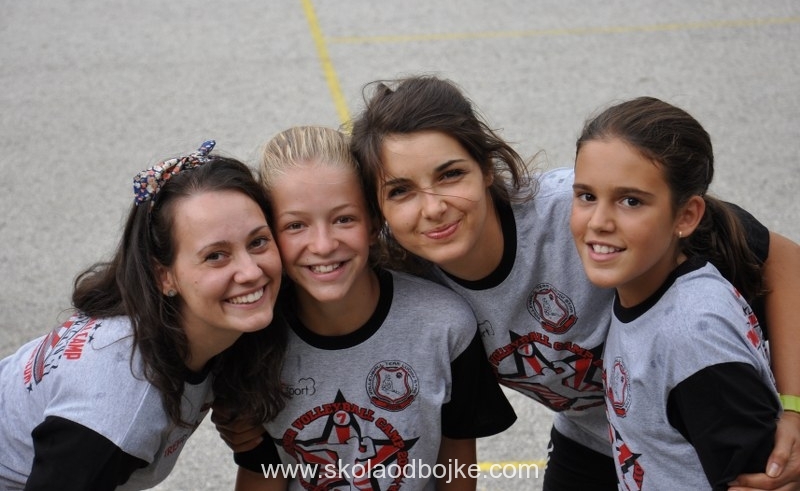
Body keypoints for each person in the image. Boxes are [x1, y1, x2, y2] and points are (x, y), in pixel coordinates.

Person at [348, 75, 800, 491]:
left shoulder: (582, 210)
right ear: (378, 209)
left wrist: (794, 407)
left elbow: (785, 262)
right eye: (400, 190)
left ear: (486, 167)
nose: (432, 208)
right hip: (600, 434)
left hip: (701, 413)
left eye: (450, 174)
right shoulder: (401, 276)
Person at [229, 126, 516, 490]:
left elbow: (456, 458)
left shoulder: (444, 325)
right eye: (295, 225)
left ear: (374, 222)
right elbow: (262, 470)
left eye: (344, 219)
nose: (323, 245)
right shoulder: (254, 338)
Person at [0, 141, 287, 490]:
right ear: (163, 275)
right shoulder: (119, 407)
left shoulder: (200, 324)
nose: (251, 272)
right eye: (215, 256)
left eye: (258, 242)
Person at [570, 96, 780, 489]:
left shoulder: (693, 335)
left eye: (631, 201)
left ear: (686, 216)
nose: (598, 221)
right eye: (587, 196)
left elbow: (761, 479)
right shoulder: (643, 288)